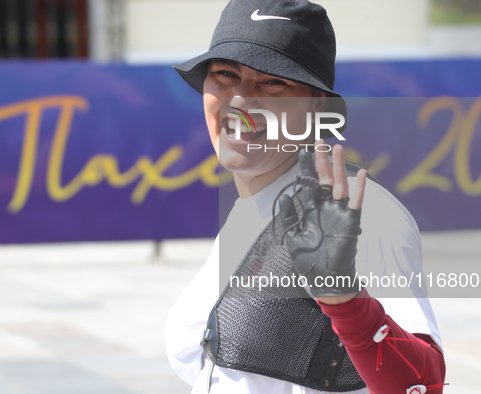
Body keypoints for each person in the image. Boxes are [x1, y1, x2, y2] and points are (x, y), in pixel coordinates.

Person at [165, 1, 446, 393]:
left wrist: (346, 302)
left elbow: (423, 384)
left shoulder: (362, 213)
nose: (242, 100)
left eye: (273, 82)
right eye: (226, 74)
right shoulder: (257, 201)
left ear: (316, 106)